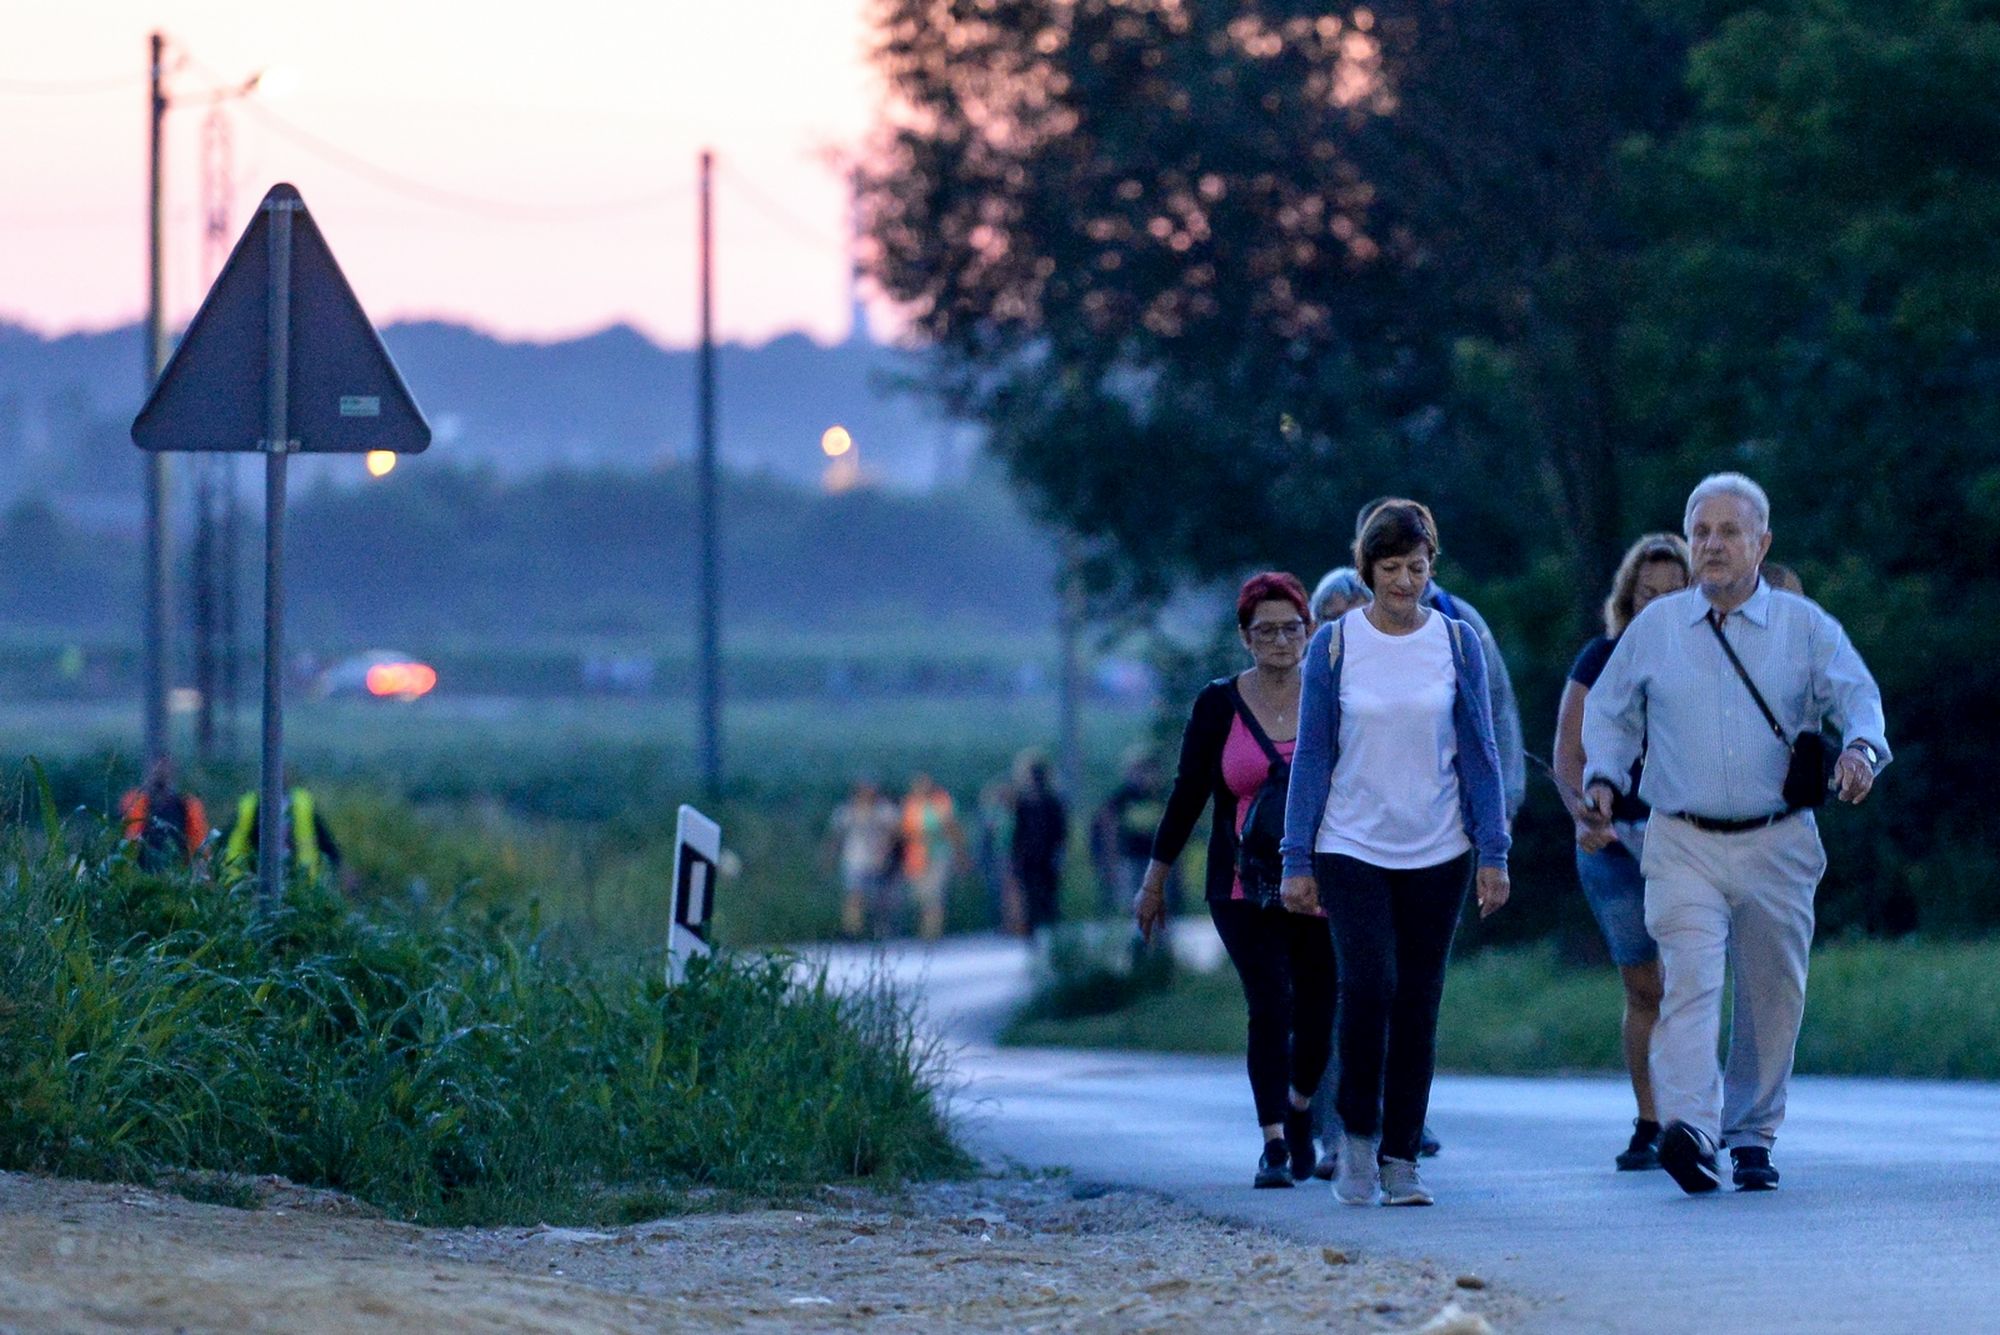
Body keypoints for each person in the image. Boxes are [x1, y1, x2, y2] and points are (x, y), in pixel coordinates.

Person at [1582, 472, 1888, 1195]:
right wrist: (1603, 774)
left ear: (1762, 542)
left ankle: (1752, 1132)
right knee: (1689, 982)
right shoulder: (1655, 628)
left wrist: (1861, 752)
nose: (1712, 545)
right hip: (1681, 836)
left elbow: (1860, 699)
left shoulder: (1805, 628)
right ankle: (1689, 1129)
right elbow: (1611, 711)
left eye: (1728, 531)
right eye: (1702, 532)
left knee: (1771, 991)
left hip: (1778, 840)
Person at [1282, 500, 1512, 1207]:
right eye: (1391, 569)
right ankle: (1354, 1137)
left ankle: (1402, 1157)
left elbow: (1480, 749)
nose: (1405, 582)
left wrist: (1494, 848)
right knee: (1371, 986)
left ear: (1431, 567)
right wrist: (1298, 856)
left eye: (1417, 567)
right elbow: (1313, 754)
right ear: (1368, 569)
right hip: (1352, 843)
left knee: (1419, 1000)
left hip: (1439, 847)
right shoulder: (1334, 646)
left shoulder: (1457, 643)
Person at [1136, 572, 1334, 1189]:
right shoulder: (1218, 704)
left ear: (1310, 630)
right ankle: (1273, 1141)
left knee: (1321, 1007)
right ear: (1245, 638)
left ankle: (1301, 1110)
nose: (1281, 640)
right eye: (1266, 630)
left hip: (1321, 879)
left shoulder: (1331, 694)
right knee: (1271, 1001)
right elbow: (1189, 793)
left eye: (1292, 628)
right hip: (1242, 883)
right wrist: (1155, 878)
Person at [1553, 532, 1691, 1171]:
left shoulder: (1707, 660)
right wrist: (1583, 811)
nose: (1659, 605)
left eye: (1674, 594)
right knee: (1645, 986)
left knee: (1692, 983)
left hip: (1686, 839)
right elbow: (1569, 750)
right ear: (1628, 600)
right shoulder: (1600, 657)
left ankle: (1698, 1119)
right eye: (1648, 594)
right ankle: (1649, 1119)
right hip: (1612, 840)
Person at [1354, 499, 1527, 819]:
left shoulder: (1460, 621)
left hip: (1453, 811)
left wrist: (1504, 803)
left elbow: (1498, 708)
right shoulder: (1342, 629)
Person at [1092, 746, 1175, 921]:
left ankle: (1160, 940)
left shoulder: (1160, 796)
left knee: (1160, 899)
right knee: (1134, 898)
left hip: (1157, 859)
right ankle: (1137, 939)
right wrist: (1110, 860)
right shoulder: (1122, 797)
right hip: (1130, 858)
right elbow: (1108, 828)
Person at [222, 782, 342, 884]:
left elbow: (326, 842)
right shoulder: (251, 806)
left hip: (300, 883)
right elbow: (229, 841)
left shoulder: (302, 804)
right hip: (256, 881)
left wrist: (339, 867)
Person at [827, 779, 900, 939]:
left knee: (880, 899)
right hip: (854, 860)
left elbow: (895, 834)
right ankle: (852, 931)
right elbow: (836, 836)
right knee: (854, 896)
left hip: (880, 861)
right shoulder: (847, 811)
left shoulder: (884, 810)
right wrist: (830, 857)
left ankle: (881, 931)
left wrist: (886, 852)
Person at [899, 773, 964, 941]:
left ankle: (932, 933)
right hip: (916, 858)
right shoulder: (910, 804)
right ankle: (924, 930)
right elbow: (903, 831)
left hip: (939, 854)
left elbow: (952, 827)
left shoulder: (941, 801)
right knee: (921, 896)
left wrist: (960, 853)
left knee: (936, 894)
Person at [1010, 751, 1069, 935]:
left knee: (1048, 897)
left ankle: (1051, 935)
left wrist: (1060, 854)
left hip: (1047, 857)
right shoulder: (1021, 802)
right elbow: (1016, 832)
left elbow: (1061, 832)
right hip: (1027, 858)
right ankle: (1033, 935)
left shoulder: (1053, 802)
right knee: (1030, 899)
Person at [118, 759, 211, 873]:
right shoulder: (135, 805)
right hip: (142, 876)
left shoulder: (186, 808)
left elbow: (200, 851)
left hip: (177, 876)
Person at [975, 774, 1024, 934]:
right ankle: (1009, 923)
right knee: (1006, 890)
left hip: (1011, 855)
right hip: (1002, 854)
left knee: (1011, 890)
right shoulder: (999, 814)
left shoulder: (1013, 814)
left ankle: (1016, 923)